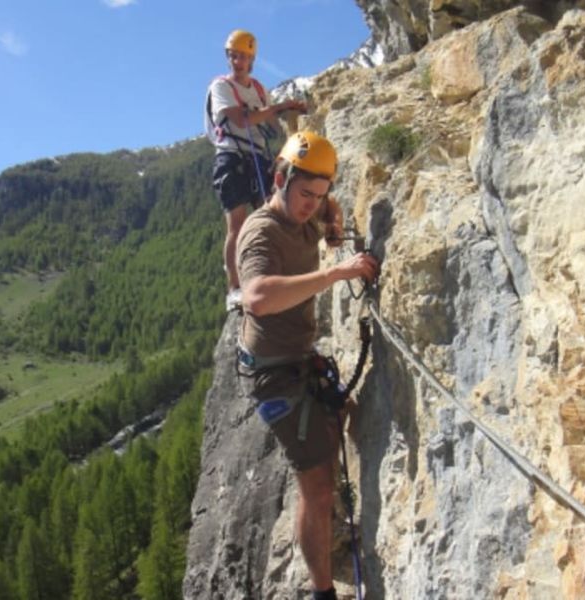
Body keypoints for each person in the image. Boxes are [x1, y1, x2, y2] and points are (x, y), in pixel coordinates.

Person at [236, 131, 378, 600]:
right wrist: (334, 273)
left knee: (336, 424)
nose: (311, 206)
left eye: (319, 197)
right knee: (316, 488)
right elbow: (256, 297)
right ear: (280, 178)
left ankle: (325, 528)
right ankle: (322, 592)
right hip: (275, 374)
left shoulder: (309, 214)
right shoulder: (263, 231)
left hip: (295, 359)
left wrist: (331, 219)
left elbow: (328, 208)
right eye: (304, 195)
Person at [206, 29, 307, 311]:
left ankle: (271, 275)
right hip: (231, 158)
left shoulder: (259, 90)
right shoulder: (221, 87)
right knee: (237, 226)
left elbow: (270, 124)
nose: (237, 62)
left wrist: (290, 114)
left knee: (270, 216)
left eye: (243, 57)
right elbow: (242, 119)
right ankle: (235, 288)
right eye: (233, 56)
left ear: (252, 59)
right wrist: (279, 107)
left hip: (256, 157)